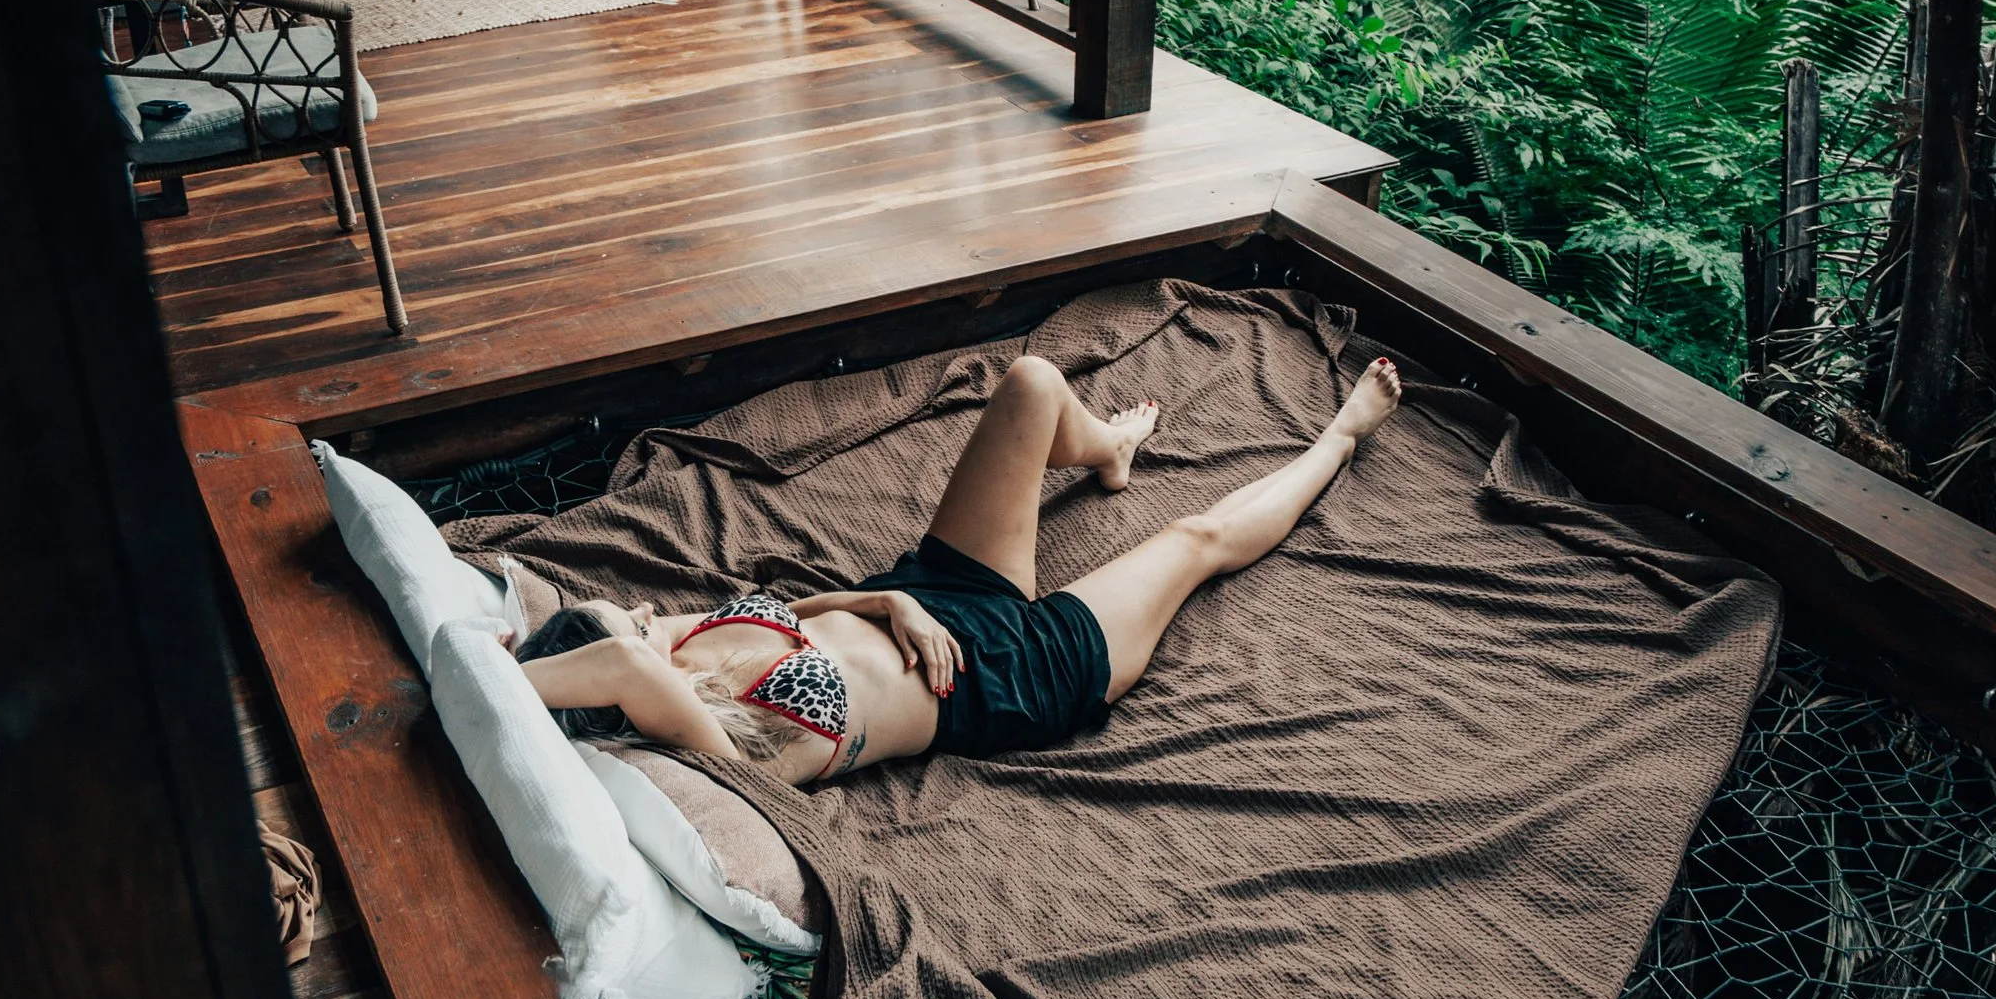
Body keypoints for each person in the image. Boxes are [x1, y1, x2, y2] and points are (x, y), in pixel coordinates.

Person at [512, 347, 1402, 788]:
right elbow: (623, 659)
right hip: (1011, 680)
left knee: (1033, 381)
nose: (646, 617)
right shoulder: (703, 744)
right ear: (607, 701)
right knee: (1196, 543)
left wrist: (888, 598)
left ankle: (1110, 445)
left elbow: (777, 616)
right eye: (629, 623)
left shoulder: (665, 654)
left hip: (933, 600)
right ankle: (1340, 436)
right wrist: (481, 676)